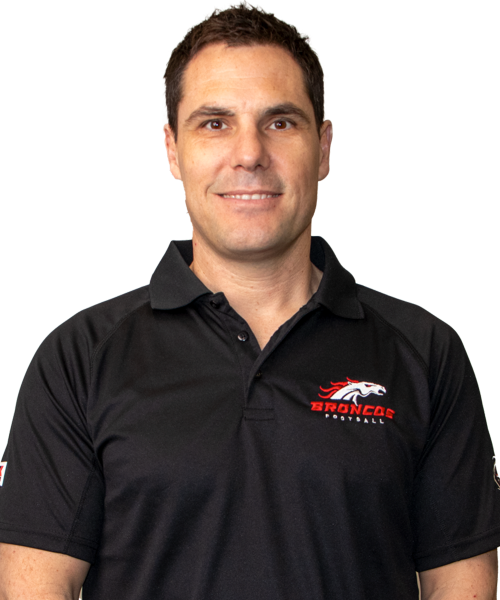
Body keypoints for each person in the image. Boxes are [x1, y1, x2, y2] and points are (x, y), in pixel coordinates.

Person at [0, 1, 499, 598]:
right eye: (214, 124)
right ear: (171, 150)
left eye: (280, 122)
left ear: (324, 148)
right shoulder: (78, 359)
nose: (249, 153)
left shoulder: (425, 352)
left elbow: (461, 587)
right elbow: (34, 589)